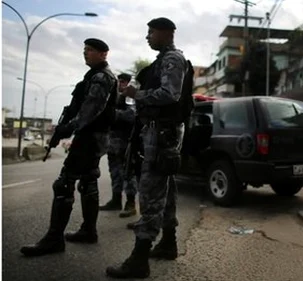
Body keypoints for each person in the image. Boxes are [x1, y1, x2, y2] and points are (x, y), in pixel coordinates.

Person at [106, 17, 188, 279]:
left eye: (151, 32)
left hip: (161, 133)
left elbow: (170, 93)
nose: (148, 36)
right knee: (167, 190)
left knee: (151, 193)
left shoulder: (172, 58)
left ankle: (139, 260)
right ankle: (168, 243)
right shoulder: (164, 58)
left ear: (166, 33)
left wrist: (135, 95)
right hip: (160, 131)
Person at [20, 38, 117, 257]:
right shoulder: (97, 76)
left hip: (89, 137)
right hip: (95, 137)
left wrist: (66, 129)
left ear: (104, 54)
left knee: (64, 184)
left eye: (90, 50)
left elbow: (90, 110)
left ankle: (54, 240)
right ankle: (88, 231)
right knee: (89, 180)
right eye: (85, 50)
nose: (86, 53)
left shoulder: (101, 77)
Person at [100, 73, 138, 218]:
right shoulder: (114, 97)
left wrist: (112, 113)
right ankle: (116, 201)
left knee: (129, 174)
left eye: (123, 82)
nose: (120, 84)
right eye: (119, 81)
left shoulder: (131, 98)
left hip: (126, 143)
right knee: (115, 173)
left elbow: (131, 116)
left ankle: (130, 204)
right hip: (113, 142)